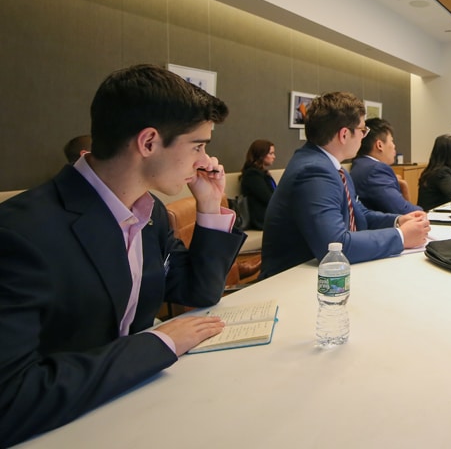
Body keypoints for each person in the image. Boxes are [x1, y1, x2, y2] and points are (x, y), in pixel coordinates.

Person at [0, 64, 245, 446]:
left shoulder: (151, 215)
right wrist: (158, 343)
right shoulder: (20, 233)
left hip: (137, 407)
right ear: (148, 143)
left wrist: (210, 206)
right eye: (198, 146)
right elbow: (11, 399)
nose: (204, 161)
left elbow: (197, 292)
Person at [261, 92, 429, 277]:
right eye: (362, 130)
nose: (363, 137)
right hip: (291, 284)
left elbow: (359, 214)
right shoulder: (314, 172)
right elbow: (334, 245)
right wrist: (401, 236)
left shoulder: (332, 166)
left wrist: (397, 221)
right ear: (344, 134)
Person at [350, 117, 421, 214]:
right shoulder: (375, 170)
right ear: (379, 145)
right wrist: (424, 212)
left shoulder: (360, 164)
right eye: (391, 141)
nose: (394, 146)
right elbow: (402, 209)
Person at [239, 139, 277, 230]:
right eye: (271, 153)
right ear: (261, 155)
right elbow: (268, 198)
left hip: (269, 215)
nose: (274, 157)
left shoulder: (262, 173)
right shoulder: (252, 175)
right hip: (261, 219)